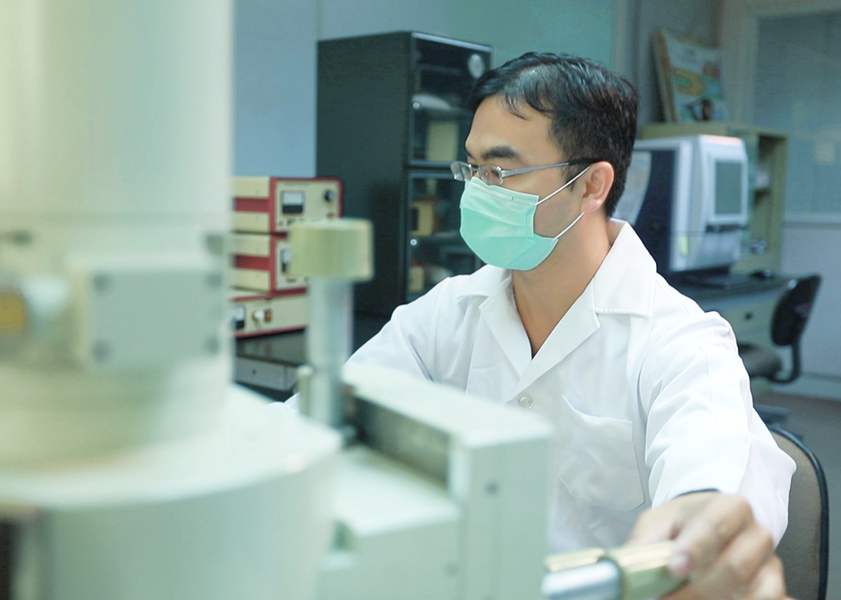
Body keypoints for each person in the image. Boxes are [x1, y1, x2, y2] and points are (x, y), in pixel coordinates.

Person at [294, 52, 795, 598]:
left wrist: (700, 533)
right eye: (472, 167)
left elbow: (710, 498)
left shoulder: (682, 346)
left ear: (590, 186)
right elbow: (317, 424)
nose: (477, 191)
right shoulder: (447, 313)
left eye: (502, 171)